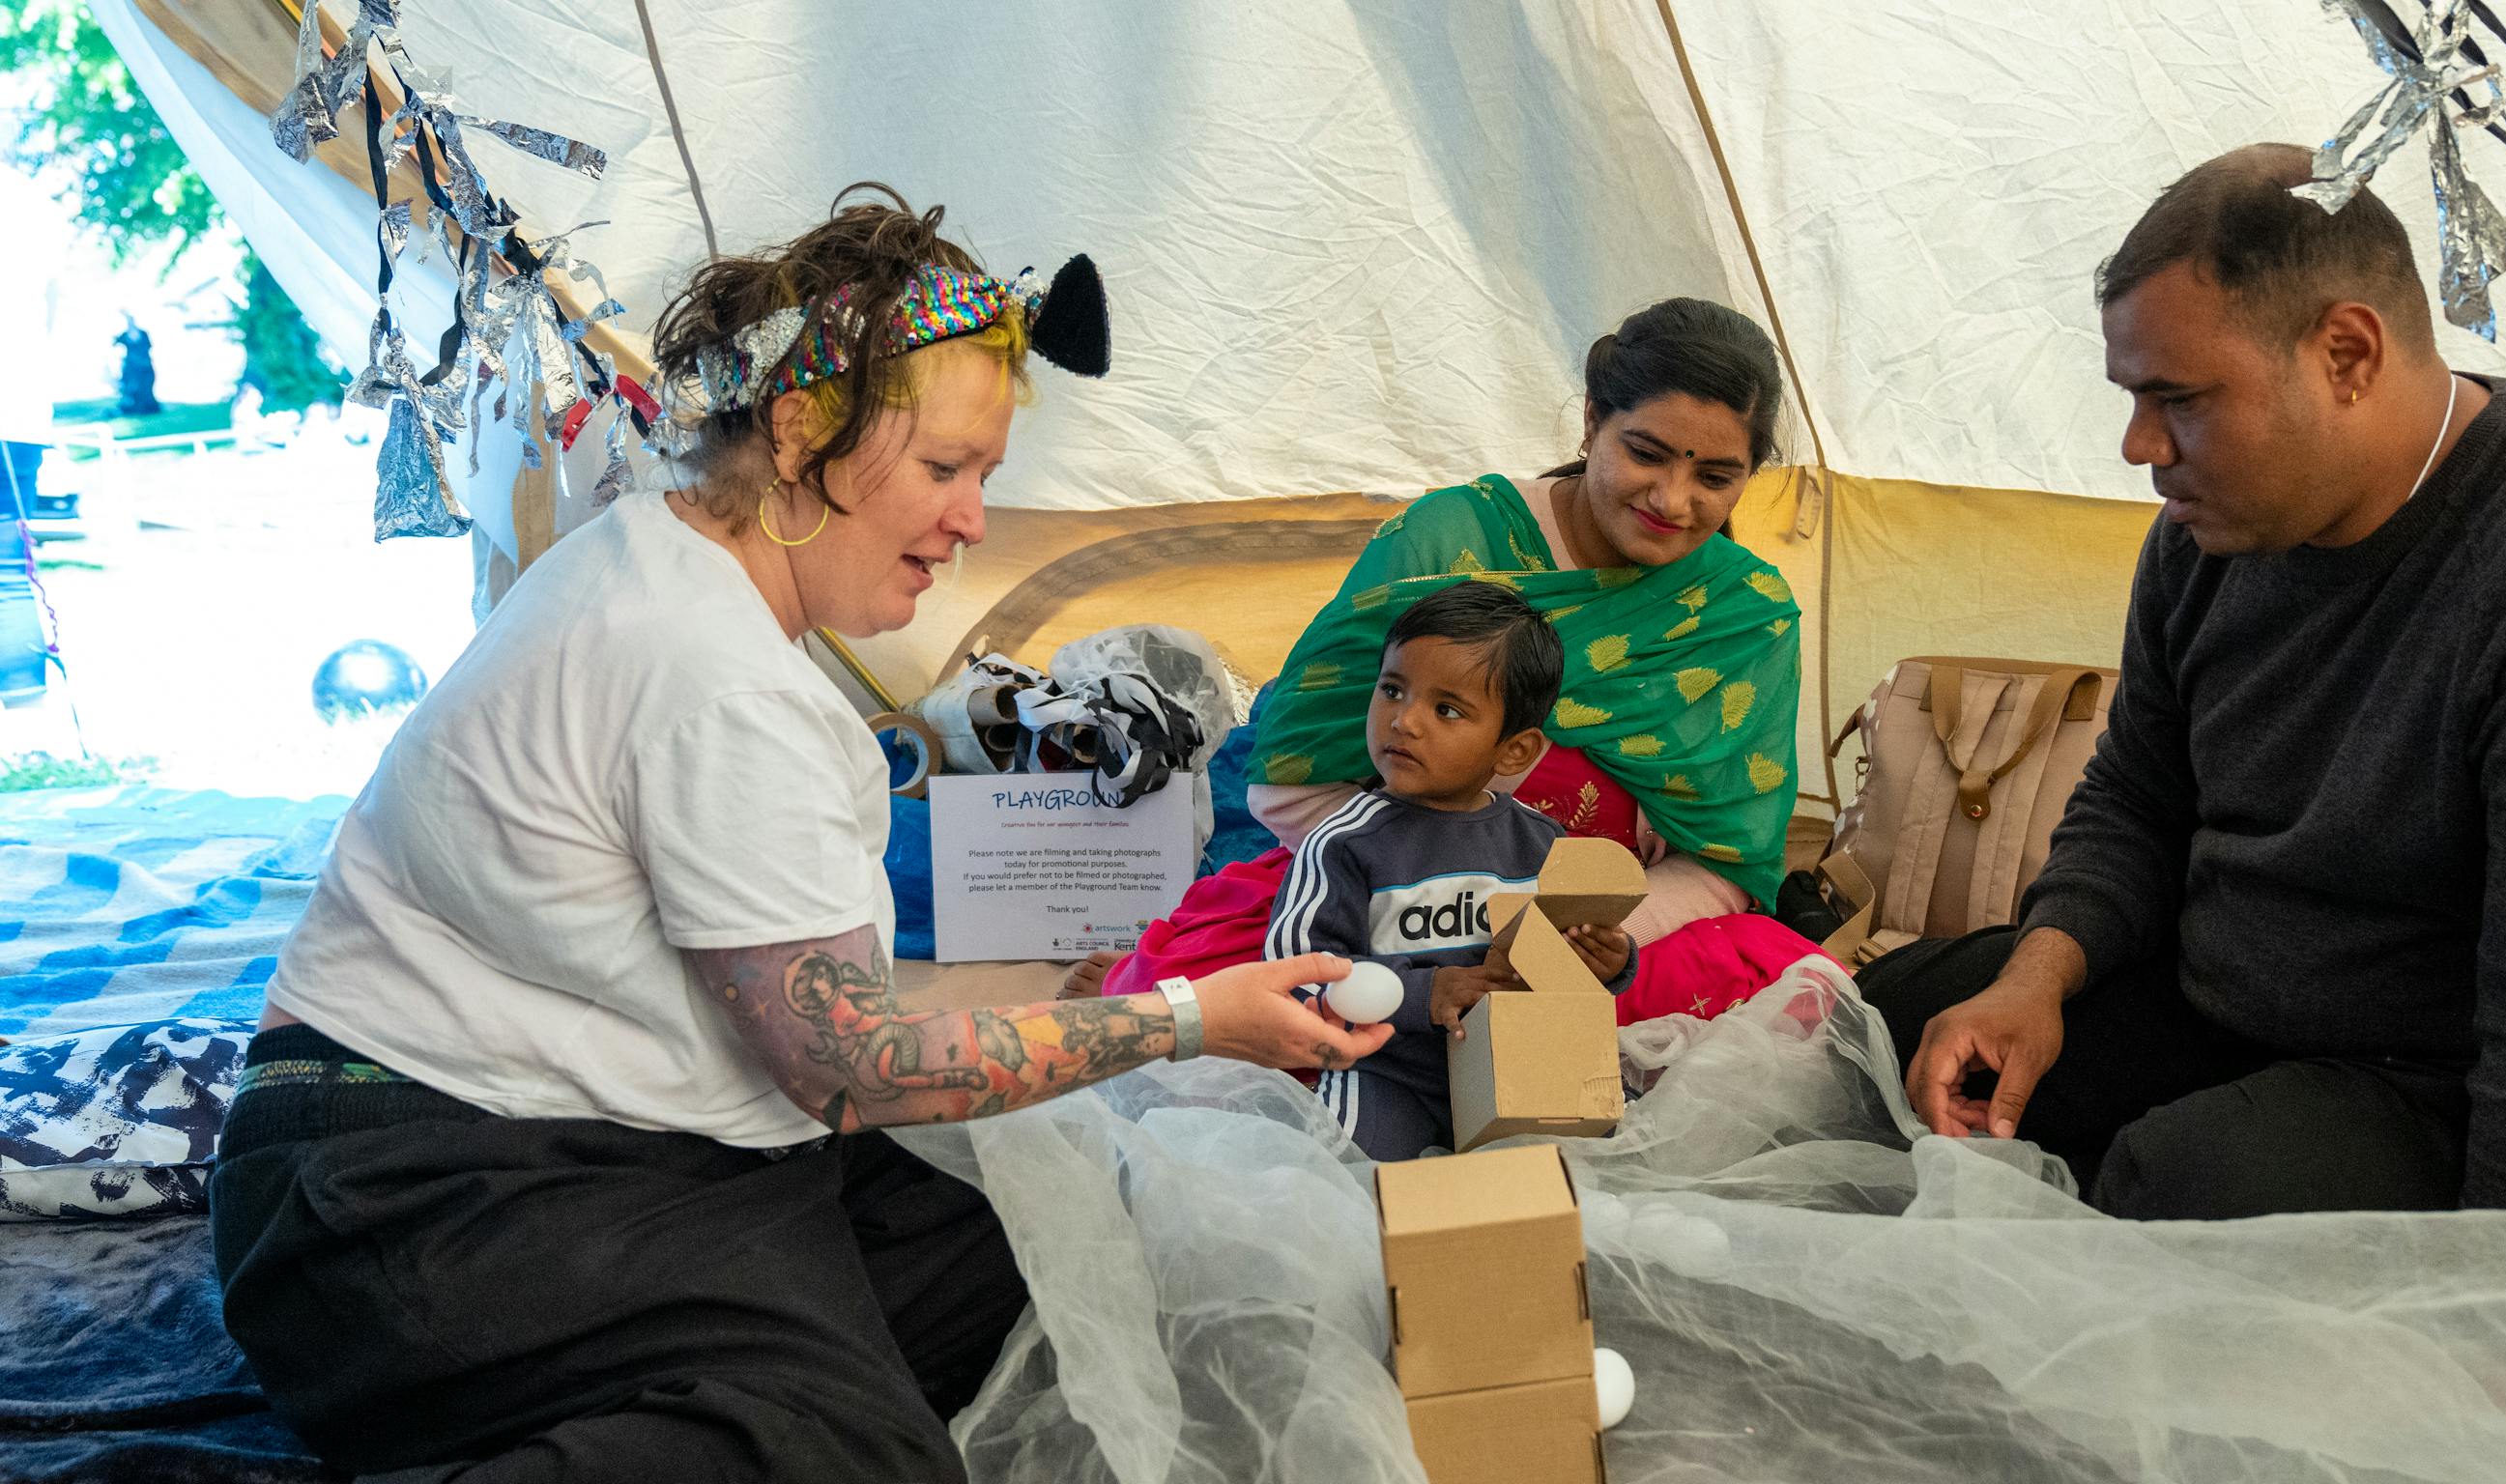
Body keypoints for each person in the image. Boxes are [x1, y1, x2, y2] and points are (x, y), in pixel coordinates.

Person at [208, 186, 1392, 1481]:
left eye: (984, 477)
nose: (972, 521)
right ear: (796, 431)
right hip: (408, 1213)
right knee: (842, 1451)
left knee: (1057, 1243)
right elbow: (856, 1071)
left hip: (551, 1149)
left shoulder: (658, 552)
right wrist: (1192, 1018)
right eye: (944, 470)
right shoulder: (711, 674)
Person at [1861, 143, 2506, 1219]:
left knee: (2174, 1187)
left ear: (2346, 353)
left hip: (2485, 1083)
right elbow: (2138, 799)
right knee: (1892, 1025)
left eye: (2178, 400)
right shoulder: (2208, 534)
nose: (2138, 446)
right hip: (2244, 1000)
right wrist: (2034, 982)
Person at [1098, 298, 1821, 1021]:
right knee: (1183, 1014)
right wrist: (1456, 917)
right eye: (1646, 453)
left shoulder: (1744, 614)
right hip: (1389, 907)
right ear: (1593, 421)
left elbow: (1725, 863)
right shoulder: (1446, 543)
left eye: (1715, 479)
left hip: (1591, 944)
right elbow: (1289, 788)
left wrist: (1580, 939)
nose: (1673, 499)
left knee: (1805, 989)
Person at [1267, 581, 1634, 1158]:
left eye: (1446, 709)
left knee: (1582, 1178)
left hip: (1519, 1066)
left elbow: (1565, 971)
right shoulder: (1343, 842)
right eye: (1392, 690)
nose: (1404, 722)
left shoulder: (1543, 845)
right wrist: (1422, 992)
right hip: (1388, 1073)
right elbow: (1296, 975)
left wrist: (1608, 962)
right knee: (1357, 1181)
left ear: (1513, 751)